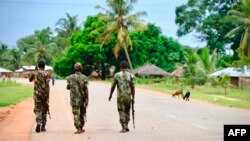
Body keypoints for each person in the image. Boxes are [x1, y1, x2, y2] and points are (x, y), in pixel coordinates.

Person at [108, 60, 135, 133]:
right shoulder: (130, 75)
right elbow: (133, 87)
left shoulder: (117, 75)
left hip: (120, 97)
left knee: (121, 111)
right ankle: (126, 124)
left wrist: (110, 95)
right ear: (126, 66)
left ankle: (123, 127)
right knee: (127, 110)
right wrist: (133, 98)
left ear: (120, 66)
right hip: (128, 97)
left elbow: (113, 86)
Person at [66, 63, 89, 134]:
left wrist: (71, 86)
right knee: (82, 113)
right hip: (82, 98)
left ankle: (78, 128)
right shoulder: (84, 77)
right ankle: (81, 127)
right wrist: (87, 98)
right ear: (81, 69)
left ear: (74, 69)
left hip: (74, 98)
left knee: (76, 113)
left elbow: (67, 87)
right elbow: (86, 89)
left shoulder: (70, 77)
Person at [29, 60, 51, 133]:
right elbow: (47, 85)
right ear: (44, 66)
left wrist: (35, 70)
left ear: (38, 65)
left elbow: (30, 80)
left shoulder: (35, 73)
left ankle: (38, 121)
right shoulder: (47, 73)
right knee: (45, 109)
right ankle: (43, 127)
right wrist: (48, 96)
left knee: (38, 108)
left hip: (37, 94)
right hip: (44, 94)